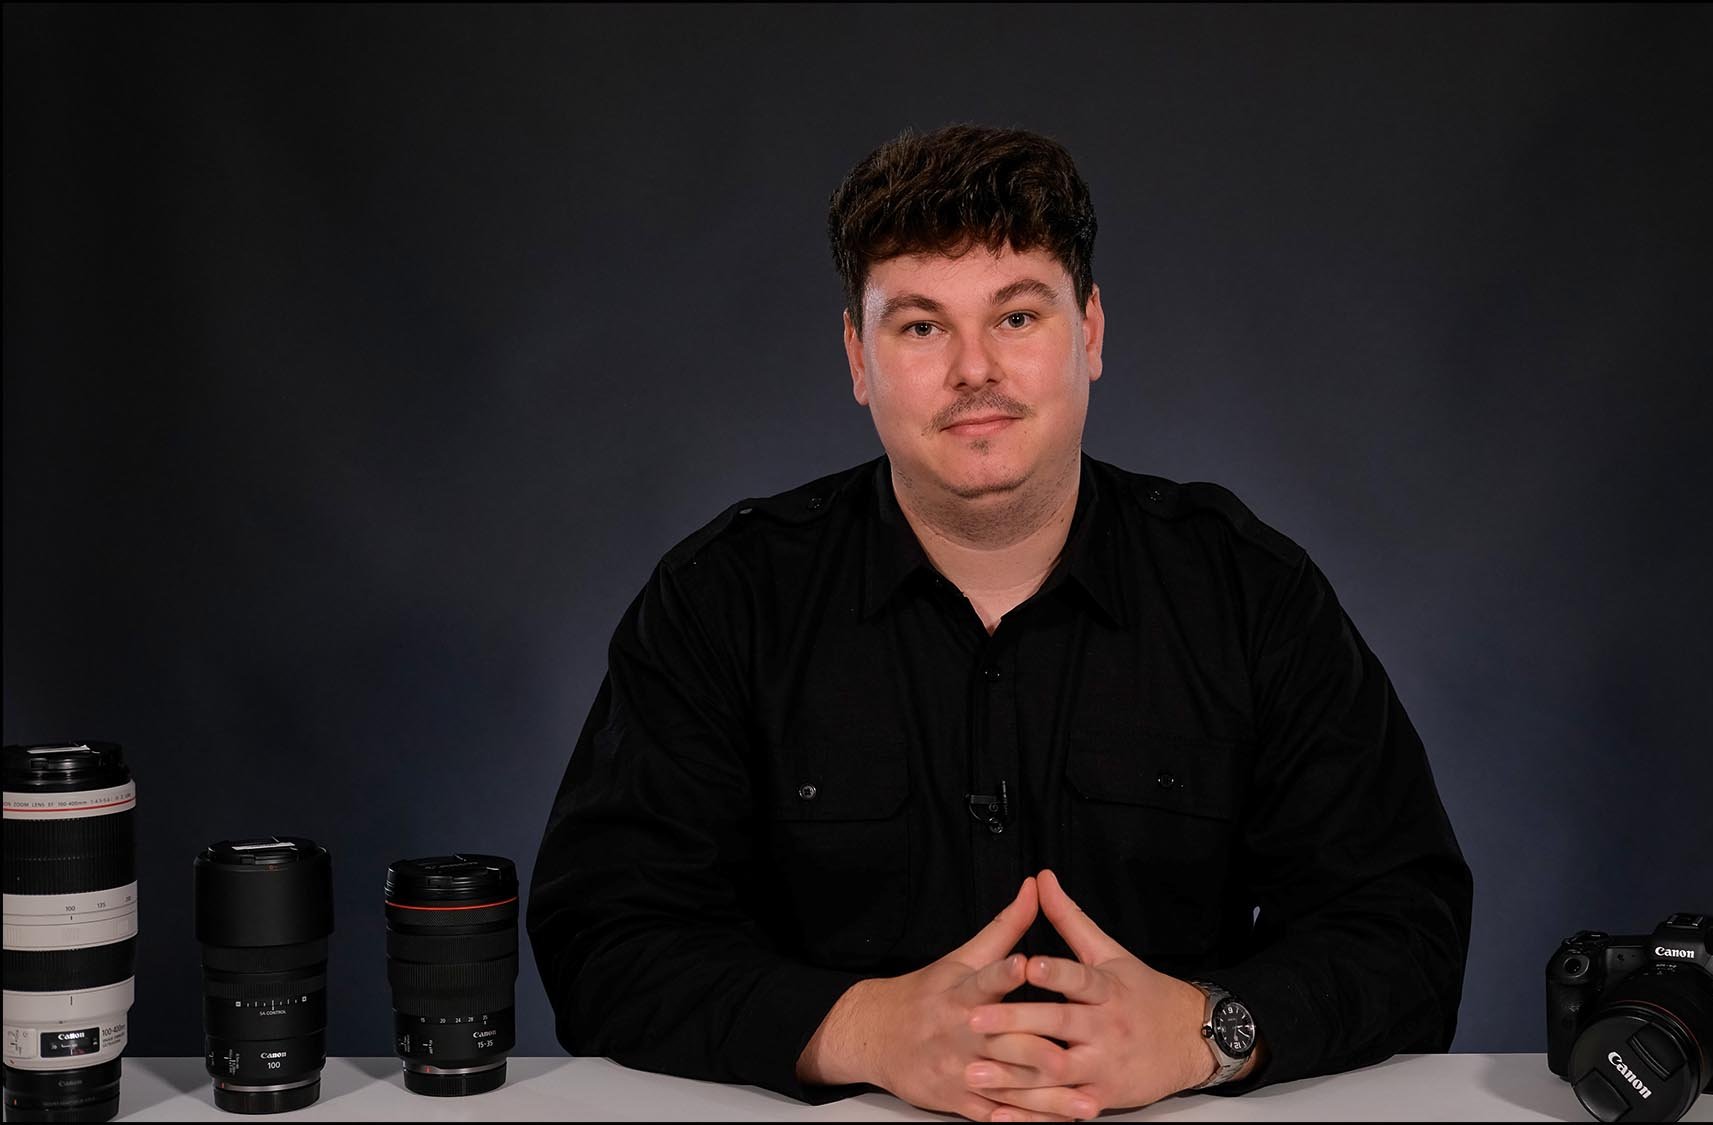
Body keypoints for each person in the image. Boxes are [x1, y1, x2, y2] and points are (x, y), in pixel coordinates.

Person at [526, 123, 1474, 1122]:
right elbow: (604, 937)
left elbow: (1404, 927)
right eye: (920, 327)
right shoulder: (721, 601)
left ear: (1090, 333)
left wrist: (1204, 1031)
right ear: (858, 357)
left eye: (1017, 317)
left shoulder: (1248, 593)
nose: (973, 369)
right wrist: (860, 1029)